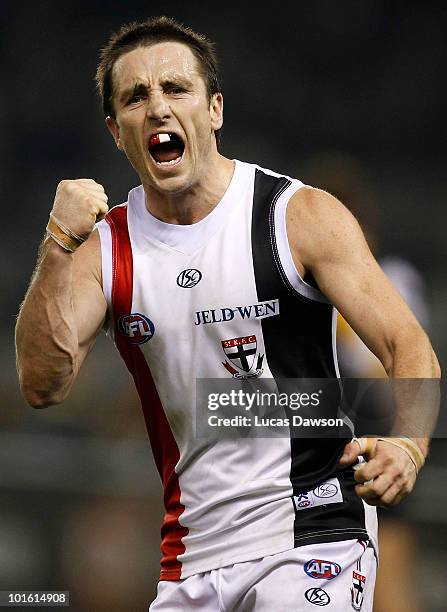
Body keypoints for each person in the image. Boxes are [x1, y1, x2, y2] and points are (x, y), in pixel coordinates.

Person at [15, 16, 440, 611]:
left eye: (176, 89)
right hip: (190, 555)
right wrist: (57, 244)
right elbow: (42, 383)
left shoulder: (297, 215)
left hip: (313, 532)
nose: (158, 107)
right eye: (137, 96)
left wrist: (410, 446)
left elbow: (407, 344)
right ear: (116, 131)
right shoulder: (103, 248)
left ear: (214, 109)